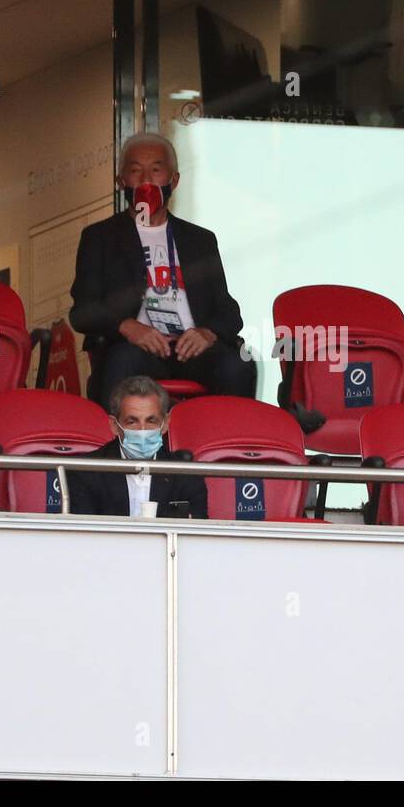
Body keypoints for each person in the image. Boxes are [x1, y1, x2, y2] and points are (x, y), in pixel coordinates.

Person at [69, 131, 256, 408]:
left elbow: (229, 312)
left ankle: (224, 449)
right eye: (135, 171)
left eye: (156, 170)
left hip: (190, 349)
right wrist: (127, 326)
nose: (145, 180)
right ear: (121, 181)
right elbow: (83, 311)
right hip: (136, 349)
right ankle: (115, 448)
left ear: (174, 180)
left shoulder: (200, 240)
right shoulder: (100, 237)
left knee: (237, 365)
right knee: (122, 361)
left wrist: (207, 333)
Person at [65, 375, 208, 519]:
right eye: (132, 422)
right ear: (114, 425)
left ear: (165, 424)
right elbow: (82, 537)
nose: (142, 430)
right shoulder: (85, 472)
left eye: (151, 421)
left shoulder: (187, 475)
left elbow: (199, 537)